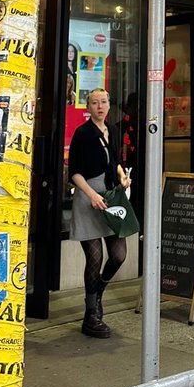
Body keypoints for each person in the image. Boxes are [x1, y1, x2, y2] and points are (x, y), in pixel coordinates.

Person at [67, 87, 131, 339]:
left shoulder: (112, 130)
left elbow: (114, 160)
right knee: (94, 257)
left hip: (110, 197)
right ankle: (91, 314)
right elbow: (73, 172)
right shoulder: (82, 134)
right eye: (94, 103)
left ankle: (99, 290)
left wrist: (122, 176)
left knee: (119, 255)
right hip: (88, 198)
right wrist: (91, 195)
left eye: (104, 101)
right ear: (88, 106)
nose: (100, 106)